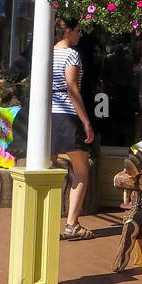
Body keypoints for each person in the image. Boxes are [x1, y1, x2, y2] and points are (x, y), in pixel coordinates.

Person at [52, 18, 95, 240]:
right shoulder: (71, 54)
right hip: (66, 115)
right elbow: (72, 88)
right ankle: (71, 224)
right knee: (81, 169)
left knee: (48, 168)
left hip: (46, 116)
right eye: (78, 30)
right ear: (67, 31)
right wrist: (86, 120)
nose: (80, 34)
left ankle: (45, 221)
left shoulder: (46, 52)